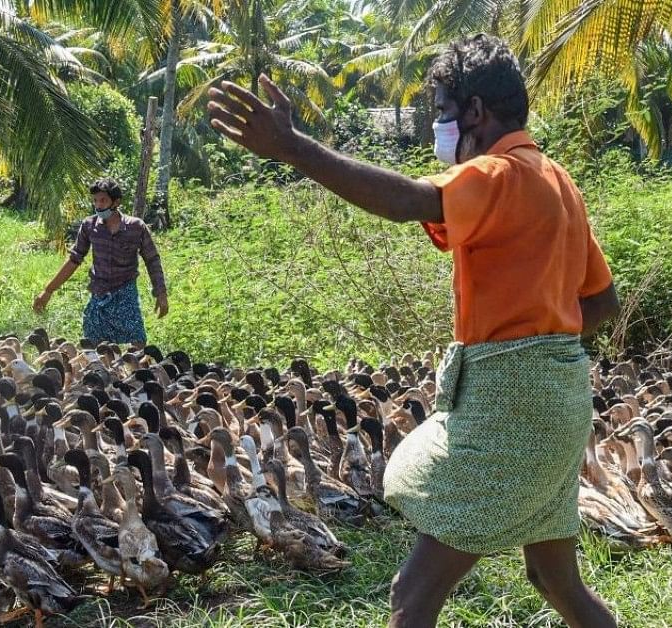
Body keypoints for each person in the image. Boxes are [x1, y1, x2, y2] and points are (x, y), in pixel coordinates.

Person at [207, 34, 620, 628]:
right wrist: (546, 334)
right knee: (552, 578)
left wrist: (295, 148)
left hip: (512, 402)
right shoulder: (556, 179)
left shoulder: (497, 172)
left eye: (444, 111)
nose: (439, 127)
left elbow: (409, 200)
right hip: (560, 396)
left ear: (475, 110)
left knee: (413, 592)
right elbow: (602, 301)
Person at [33, 178, 169, 346]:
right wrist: (48, 290)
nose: (98, 205)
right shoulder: (89, 226)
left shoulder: (136, 227)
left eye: (103, 200)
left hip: (125, 292)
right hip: (99, 291)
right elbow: (74, 259)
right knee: (92, 344)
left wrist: (161, 293)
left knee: (137, 342)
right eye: (95, 200)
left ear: (116, 202)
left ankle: (135, 371)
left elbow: (152, 260)